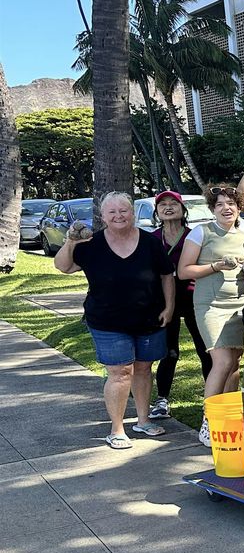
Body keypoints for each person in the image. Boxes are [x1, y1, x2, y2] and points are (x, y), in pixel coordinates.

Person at [54, 192, 175, 449]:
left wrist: (169, 307)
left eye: (124, 210)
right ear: (102, 216)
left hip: (149, 318)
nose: (118, 216)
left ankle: (143, 420)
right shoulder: (91, 244)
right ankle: (117, 430)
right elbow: (64, 266)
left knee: (143, 368)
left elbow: (167, 275)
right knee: (120, 373)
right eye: (112, 212)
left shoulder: (150, 242)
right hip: (107, 321)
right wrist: (71, 242)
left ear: (133, 213)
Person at [178, 185, 244, 447]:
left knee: (234, 363)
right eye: (220, 204)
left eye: (231, 204)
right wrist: (216, 266)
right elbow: (184, 271)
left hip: (239, 305)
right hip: (210, 305)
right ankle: (209, 420)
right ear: (212, 208)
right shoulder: (201, 232)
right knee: (222, 361)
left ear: (239, 208)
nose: (226, 208)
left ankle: (229, 419)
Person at [148, 190, 211, 421]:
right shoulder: (152, 239)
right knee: (169, 352)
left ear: (183, 210)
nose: (168, 207)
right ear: (157, 212)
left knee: (205, 350)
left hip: (195, 297)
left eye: (173, 203)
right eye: (162, 204)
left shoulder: (195, 236)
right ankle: (162, 400)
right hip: (166, 301)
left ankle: (211, 400)